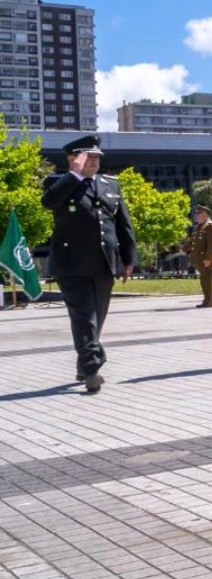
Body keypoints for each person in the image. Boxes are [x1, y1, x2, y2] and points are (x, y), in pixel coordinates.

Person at [42, 135, 137, 393]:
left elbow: (123, 224)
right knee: (84, 317)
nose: (94, 161)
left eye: (97, 157)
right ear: (72, 158)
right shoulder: (58, 183)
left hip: (103, 263)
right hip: (71, 265)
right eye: (88, 157)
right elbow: (48, 202)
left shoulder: (110, 185)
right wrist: (73, 175)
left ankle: (83, 364)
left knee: (97, 318)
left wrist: (129, 258)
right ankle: (92, 370)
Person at [183, 205, 212, 308]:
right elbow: (193, 240)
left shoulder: (210, 226)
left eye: (199, 213)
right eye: (197, 213)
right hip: (200, 259)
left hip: (206, 259)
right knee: (204, 281)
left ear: (205, 215)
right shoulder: (201, 226)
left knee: (207, 281)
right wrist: (184, 248)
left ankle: (209, 301)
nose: (197, 216)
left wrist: (208, 258)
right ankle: (207, 300)